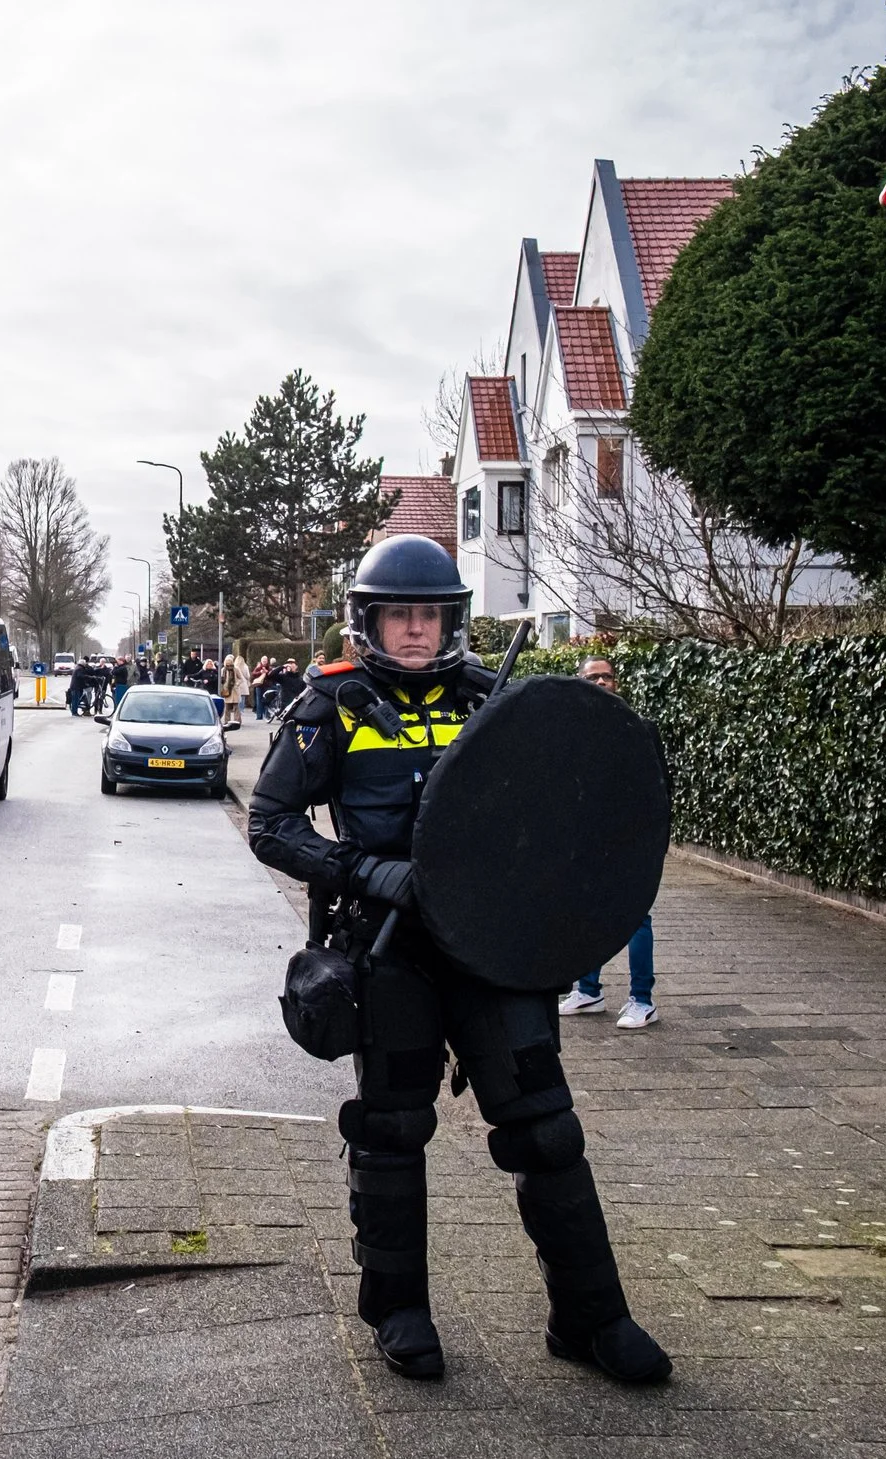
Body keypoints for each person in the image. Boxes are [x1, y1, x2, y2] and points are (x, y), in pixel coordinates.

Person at [248, 536, 670, 1386]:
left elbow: (565, 812)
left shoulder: (496, 701)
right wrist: (365, 869)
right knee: (394, 1130)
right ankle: (399, 1309)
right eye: (399, 614)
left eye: (429, 613)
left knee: (546, 1129)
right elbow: (271, 822)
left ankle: (591, 1317)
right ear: (368, 619)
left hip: (495, 953)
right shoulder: (329, 706)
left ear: (451, 618)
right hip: (390, 950)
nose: (415, 630)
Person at [559, 658, 657, 1029]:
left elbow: (659, 789)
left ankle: (642, 1000)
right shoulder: (569, 733)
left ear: (616, 683)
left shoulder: (639, 729)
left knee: (636, 918)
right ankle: (588, 991)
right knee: (585, 914)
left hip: (629, 841)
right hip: (585, 840)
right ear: (579, 683)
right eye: (592, 676)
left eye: (607, 676)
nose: (601, 681)